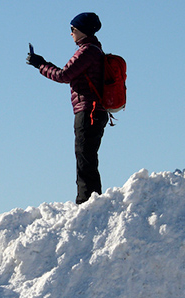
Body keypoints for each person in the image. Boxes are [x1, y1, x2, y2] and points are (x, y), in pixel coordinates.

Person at [27, 12, 108, 204]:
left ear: (82, 30)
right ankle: (90, 198)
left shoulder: (88, 51)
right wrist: (43, 63)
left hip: (88, 110)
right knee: (86, 156)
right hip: (94, 110)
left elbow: (64, 75)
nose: (70, 33)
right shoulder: (94, 50)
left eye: (72, 29)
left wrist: (40, 64)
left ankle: (86, 201)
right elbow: (69, 73)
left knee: (84, 156)